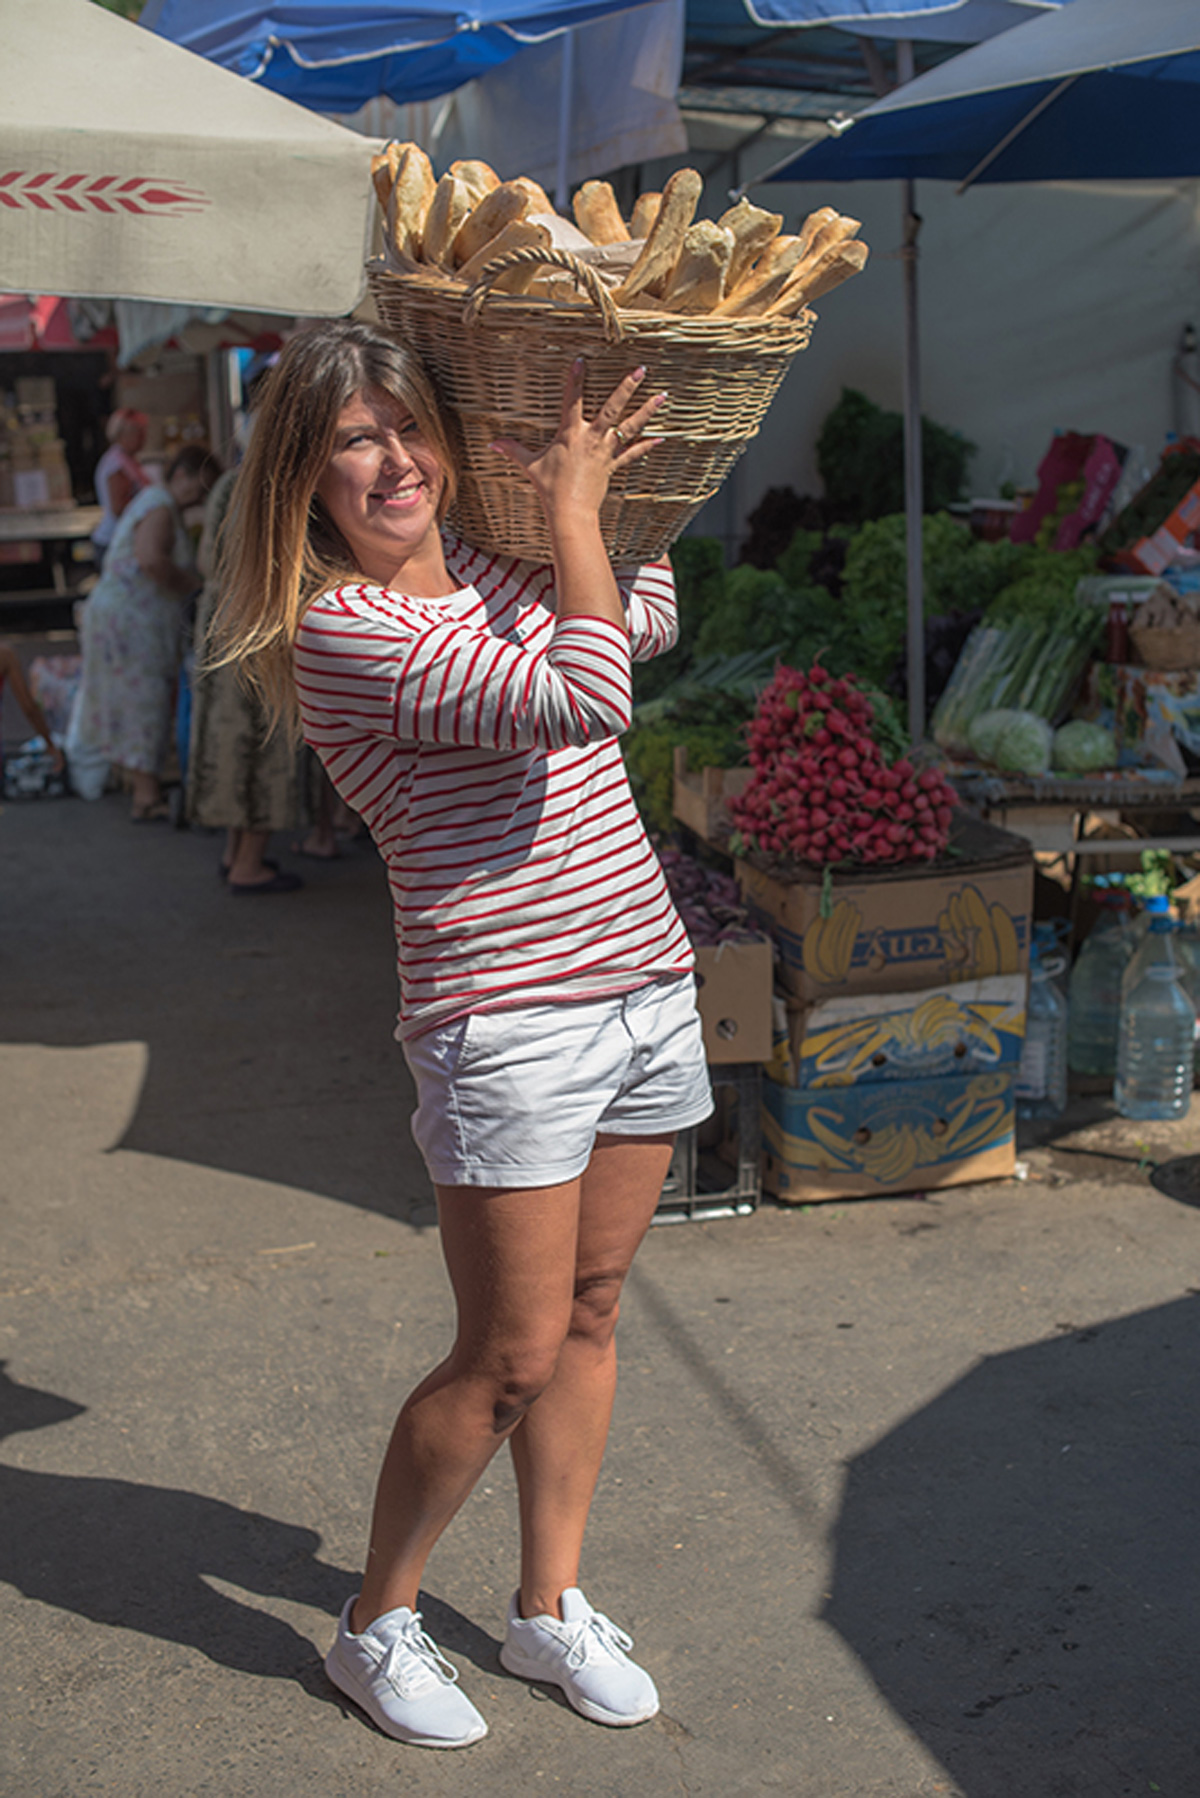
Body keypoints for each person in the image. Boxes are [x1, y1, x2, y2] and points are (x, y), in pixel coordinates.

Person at [212, 319, 711, 1750]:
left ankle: (547, 1600)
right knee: (504, 1349)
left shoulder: (496, 565)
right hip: (509, 1022)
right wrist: (572, 521)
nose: (390, 464)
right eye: (350, 442)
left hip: (641, 984)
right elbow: (591, 686)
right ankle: (375, 1622)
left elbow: (650, 611)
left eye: (404, 427)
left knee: (596, 1312)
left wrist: (624, 499)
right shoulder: (346, 634)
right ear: (304, 480)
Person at [70, 445, 219, 820]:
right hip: (132, 621)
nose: (199, 499)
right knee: (144, 700)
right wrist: (195, 586)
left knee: (130, 698)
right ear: (181, 475)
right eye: (199, 489)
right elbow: (152, 560)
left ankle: (138, 785)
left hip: (122, 617)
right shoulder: (160, 505)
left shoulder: (156, 502)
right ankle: (145, 795)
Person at [187, 464, 306, 892]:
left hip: (219, 618)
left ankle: (234, 852)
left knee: (227, 743)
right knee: (263, 745)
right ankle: (248, 864)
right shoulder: (276, 481)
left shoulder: (227, 481)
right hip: (261, 621)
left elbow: (205, 561)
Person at [91, 409, 152, 563]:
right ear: (122, 434)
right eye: (138, 433)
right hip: (114, 541)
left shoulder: (128, 460)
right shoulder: (116, 463)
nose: (143, 438)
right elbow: (118, 507)